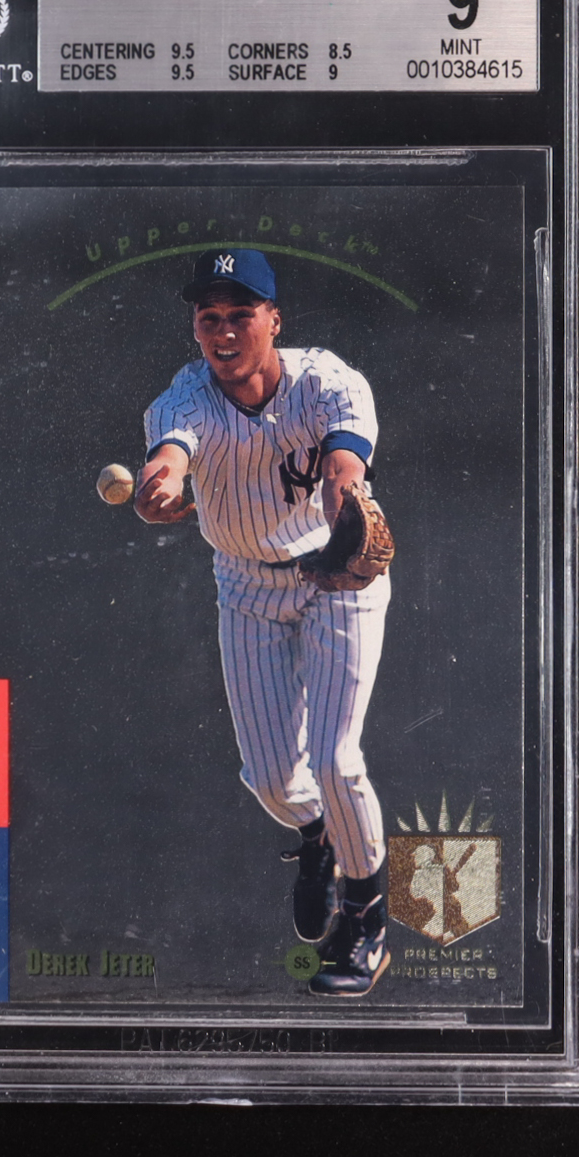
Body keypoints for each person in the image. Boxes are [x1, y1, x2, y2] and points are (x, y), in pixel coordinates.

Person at [134, 248, 391, 995]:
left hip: (336, 578)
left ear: (273, 320)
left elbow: (344, 469)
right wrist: (158, 484)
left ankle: (367, 919)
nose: (223, 331)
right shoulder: (185, 397)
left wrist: (345, 510)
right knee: (276, 782)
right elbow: (170, 456)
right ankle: (320, 835)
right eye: (208, 316)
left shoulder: (328, 381)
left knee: (336, 761)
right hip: (246, 582)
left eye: (240, 314)